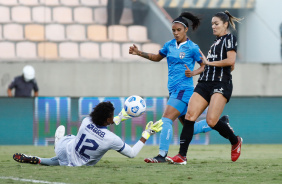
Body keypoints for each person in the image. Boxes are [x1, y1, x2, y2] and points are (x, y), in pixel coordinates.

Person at [127, 12, 231, 163]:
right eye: (173, 30)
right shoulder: (169, 45)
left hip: (184, 90)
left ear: (186, 30)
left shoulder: (192, 47)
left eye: (178, 30)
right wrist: (139, 53)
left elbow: (205, 65)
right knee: (191, 128)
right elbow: (157, 57)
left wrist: (193, 72)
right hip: (174, 91)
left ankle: (162, 155)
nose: (175, 33)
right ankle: (222, 123)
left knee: (166, 119)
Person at [166, 11, 243, 165]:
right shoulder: (215, 44)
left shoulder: (230, 39)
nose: (213, 27)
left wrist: (210, 64)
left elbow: (231, 60)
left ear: (225, 24)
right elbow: (229, 66)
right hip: (204, 82)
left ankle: (235, 141)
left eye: (216, 24)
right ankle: (182, 156)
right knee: (189, 116)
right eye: (212, 24)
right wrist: (198, 71)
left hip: (221, 83)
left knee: (211, 121)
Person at [13, 101, 163, 166]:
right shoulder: (112, 139)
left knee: (65, 149)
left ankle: (40, 158)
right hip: (80, 164)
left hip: (66, 150)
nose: (113, 117)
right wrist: (146, 134)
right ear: (107, 118)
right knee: (66, 156)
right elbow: (131, 153)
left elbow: (105, 120)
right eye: (112, 115)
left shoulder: (86, 121)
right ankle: (56, 143)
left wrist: (120, 117)